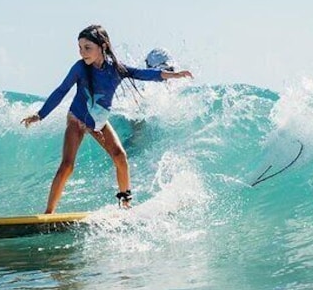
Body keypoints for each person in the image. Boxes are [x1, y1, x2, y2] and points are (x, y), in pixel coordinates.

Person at [21, 24, 193, 214]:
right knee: (68, 165)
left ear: (102, 47)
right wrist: (40, 114)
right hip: (77, 119)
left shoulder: (116, 70)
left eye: (87, 48)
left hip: (99, 122)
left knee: (120, 157)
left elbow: (144, 74)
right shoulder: (79, 68)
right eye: (80, 48)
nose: (82, 52)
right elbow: (62, 90)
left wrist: (174, 75)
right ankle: (49, 213)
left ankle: (126, 206)